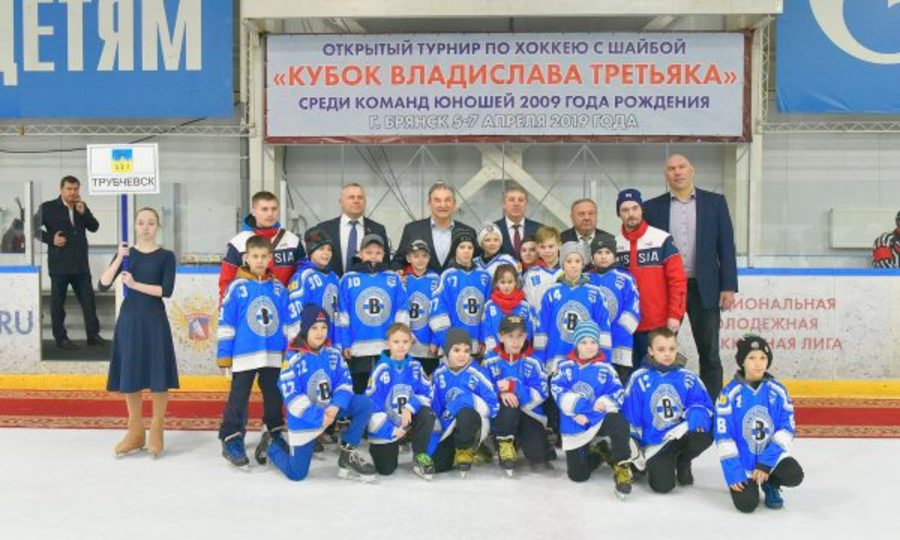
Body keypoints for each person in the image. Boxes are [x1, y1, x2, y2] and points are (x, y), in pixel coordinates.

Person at [643, 154, 738, 400]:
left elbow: (726, 246)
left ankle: (712, 407)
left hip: (704, 289)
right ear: (666, 175)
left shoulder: (715, 203)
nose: (677, 172)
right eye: (671, 168)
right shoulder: (651, 208)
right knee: (660, 350)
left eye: (682, 167)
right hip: (667, 291)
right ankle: (660, 402)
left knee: (710, 354)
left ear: (692, 170)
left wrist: (728, 286)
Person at [98, 208, 177, 459]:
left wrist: (134, 284)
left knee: (157, 373)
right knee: (130, 372)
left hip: (154, 319)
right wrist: (119, 258)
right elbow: (103, 284)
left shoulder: (166, 256)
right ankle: (135, 430)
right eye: (141, 222)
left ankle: (157, 428)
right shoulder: (126, 254)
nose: (146, 227)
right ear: (134, 225)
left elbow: (166, 290)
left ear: (158, 226)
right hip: (130, 319)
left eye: (151, 223)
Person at [268, 304, 376, 482]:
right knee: (297, 474)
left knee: (363, 403)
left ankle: (348, 452)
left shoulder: (333, 353)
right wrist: (318, 416)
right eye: (314, 328)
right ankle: (271, 446)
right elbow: (292, 398)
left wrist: (336, 406)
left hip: (331, 410)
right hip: (306, 418)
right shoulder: (292, 358)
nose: (320, 332)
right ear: (305, 329)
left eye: (324, 327)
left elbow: (345, 382)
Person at [216, 235, 292, 469]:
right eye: (255, 256)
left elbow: (287, 324)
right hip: (243, 354)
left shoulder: (278, 289)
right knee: (238, 396)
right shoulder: (236, 288)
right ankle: (231, 437)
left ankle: (274, 432)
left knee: (274, 395)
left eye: (264, 256)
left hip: (272, 354)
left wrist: (288, 351)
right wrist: (225, 355)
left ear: (270, 259)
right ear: (246, 258)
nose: (259, 261)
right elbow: (226, 323)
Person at [715, 335, 804, 512]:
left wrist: (765, 463)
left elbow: (787, 430)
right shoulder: (729, 394)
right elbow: (724, 438)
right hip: (743, 461)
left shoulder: (778, 391)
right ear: (742, 361)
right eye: (752, 358)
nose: (758, 363)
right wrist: (734, 473)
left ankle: (771, 483)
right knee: (747, 504)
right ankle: (751, 481)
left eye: (763, 358)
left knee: (794, 474)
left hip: (769, 459)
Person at [551, 321, 636, 498]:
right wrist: (579, 411)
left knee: (618, 421)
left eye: (593, 342)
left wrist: (603, 403)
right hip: (574, 421)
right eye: (584, 342)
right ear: (576, 344)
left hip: (598, 419)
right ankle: (599, 452)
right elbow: (559, 393)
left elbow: (617, 394)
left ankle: (622, 464)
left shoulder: (606, 368)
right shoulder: (565, 367)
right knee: (578, 476)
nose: (589, 346)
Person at [622, 328, 713, 494]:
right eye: (661, 349)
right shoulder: (639, 378)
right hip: (655, 443)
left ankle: (683, 461)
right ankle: (657, 463)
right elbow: (631, 415)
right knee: (663, 486)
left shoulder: (688, 377)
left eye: (672, 349)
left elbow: (703, 403)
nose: (667, 354)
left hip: (679, 435)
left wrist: (696, 416)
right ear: (650, 351)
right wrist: (636, 448)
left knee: (706, 431)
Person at [615, 189, 687, 369]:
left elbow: (678, 281)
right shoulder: (613, 244)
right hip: (625, 326)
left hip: (657, 325)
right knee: (629, 376)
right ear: (619, 214)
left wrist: (675, 315)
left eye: (635, 208)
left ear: (642, 210)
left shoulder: (662, 239)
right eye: (625, 210)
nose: (631, 214)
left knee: (659, 375)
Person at [37, 175, 105, 349]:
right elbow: (32, 228)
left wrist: (84, 213)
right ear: (61, 189)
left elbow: (94, 227)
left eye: (75, 189)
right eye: (69, 189)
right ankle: (61, 339)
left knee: (89, 301)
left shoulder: (81, 206)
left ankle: (93, 336)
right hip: (59, 265)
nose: (72, 192)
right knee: (58, 305)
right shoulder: (48, 207)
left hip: (81, 265)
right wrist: (51, 239)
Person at [336, 234, 409, 394]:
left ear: (384, 255)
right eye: (368, 252)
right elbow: (343, 314)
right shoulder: (348, 279)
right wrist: (345, 343)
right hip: (357, 347)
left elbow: (402, 310)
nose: (373, 256)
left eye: (378, 252)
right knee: (359, 389)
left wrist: (400, 339)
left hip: (386, 345)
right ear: (360, 254)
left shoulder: (393, 278)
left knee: (386, 388)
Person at [482, 314, 553, 474]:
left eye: (520, 336)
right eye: (510, 336)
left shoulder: (535, 361)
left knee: (538, 457)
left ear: (526, 336)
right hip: (504, 415)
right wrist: (500, 393)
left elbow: (542, 393)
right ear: (501, 336)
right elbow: (483, 388)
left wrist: (514, 387)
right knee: (508, 404)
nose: (515, 341)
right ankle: (505, 441)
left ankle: (524, 440)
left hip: (530, 414)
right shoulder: (489, 360)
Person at [366, 323, 437, 480]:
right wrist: (391, 430)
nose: (401, 346)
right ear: (388, 343)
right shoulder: (381, 369)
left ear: (411, 343)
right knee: (386, 469)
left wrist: (410, 406)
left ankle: (420, 454)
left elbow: (428, 392)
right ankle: (380, 448)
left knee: (427, 414)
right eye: (396, 342)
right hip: (388, 425)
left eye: (405, 341)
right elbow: (372, 405)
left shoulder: (416, 366)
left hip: (408, 418)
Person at [427, 328, 499, 477]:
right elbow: (434, 408)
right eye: (456, 350)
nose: (462, 355)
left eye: (466, 350)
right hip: (448, 424)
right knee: (437, 465)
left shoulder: (478, 372)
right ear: (447, 351)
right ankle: (469, 449)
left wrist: (466, 401)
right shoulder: (438, 374)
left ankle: (468, 447)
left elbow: (494, 406)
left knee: (465, 413)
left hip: (473, 424)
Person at [535, 241, 612, 375]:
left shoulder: (595, 293)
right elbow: (542, 328)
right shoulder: (551, 293)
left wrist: (604, 362)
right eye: (569, 261)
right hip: (556, 359)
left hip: (587, 361)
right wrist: (539, 360)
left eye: (577, 261)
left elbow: (603, 329)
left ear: (583, 264)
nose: (573, 265)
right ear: (562, 264)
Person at [218, 191, 305, 301]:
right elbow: (226, 282)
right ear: (254, 212)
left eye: (274, 209)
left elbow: (302, 277)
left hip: (284, 306)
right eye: (264, 209)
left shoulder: (293, 241)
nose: (270, 214)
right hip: (249, 306)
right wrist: (224, 307)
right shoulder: (239, 243)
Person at [587, 235, 641, 384]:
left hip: (620, 343)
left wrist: (617, 333)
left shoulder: (626, 278)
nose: (603, 256)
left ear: (614, 255)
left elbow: (633, 309)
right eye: (599, 252)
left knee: (619, 384)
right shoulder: (586, 279)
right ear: (592, 256)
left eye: (607, 252)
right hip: (591, 343)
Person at [391, 182, 478, 273]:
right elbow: (398, 261)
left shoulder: (468, 231)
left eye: (447, 200)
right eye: (437, 200)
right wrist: (398, 272)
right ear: (429, 204)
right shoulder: (412, 230)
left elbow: (475, 263)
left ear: (454, 204)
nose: (443, 205)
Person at [430, 229, 492, 355]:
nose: (466, 251)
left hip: (478, 345)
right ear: (455, 250)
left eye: (470, 247)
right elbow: (438, 309)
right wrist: (442, 340)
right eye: (462, 247)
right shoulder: (447, 276)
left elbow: (489, 309)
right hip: (453, 345)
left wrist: (485, 338)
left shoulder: (484, 276)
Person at [313, 183, 389, 277]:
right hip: (331, 284)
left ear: (365, 202)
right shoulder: (323, 229)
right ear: (341, 201)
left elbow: (385, 264)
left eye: (360, 197)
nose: (356, 201)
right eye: (351, 197)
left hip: (367, 285)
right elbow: (315, 262)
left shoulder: (378, 229)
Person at [286, 227, 340, 344]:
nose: (326, 253)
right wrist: (297, 343)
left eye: (329, 249)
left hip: (331, 342)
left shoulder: (334, 277)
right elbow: (294, 311)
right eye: (321, 249)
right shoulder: (303, 276)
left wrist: (340, 342)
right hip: (308, 343)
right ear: (311, 252)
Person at [401, 239, 441, 375]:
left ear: (429, 258)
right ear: (408, 258)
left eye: (424, 256)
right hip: (407, 343)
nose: (420, 259)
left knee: (430, 380)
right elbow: (397, 311)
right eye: (416, 256)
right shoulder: (402, 279)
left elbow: (439, 312)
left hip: (429, 344)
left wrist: (436, 339)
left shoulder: (436, 279)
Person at [480, 263, 537, 353]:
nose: (506, 286)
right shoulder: (489, 306)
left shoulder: (524, 306)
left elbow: (529, 331)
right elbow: (486, 331)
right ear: (497, 283)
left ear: (515, 282)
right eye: (503, 282)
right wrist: (493, 351)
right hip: (495, 354)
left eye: (510, 282)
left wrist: (521, 348)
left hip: (519, 353)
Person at [494, 183, 543, 259]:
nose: (516, 204)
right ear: (503, 204)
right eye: (511, 200)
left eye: (521, 200)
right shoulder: (494, 229)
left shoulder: (540, 229)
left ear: (526, 204)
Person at [522, 226, 562, 313]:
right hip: (537, 320)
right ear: (537, 248)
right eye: (542, 247)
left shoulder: (567, 272)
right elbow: (527, 304)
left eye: (551, 246)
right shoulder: (530, 275)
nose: (547, 251)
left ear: (559, 245)